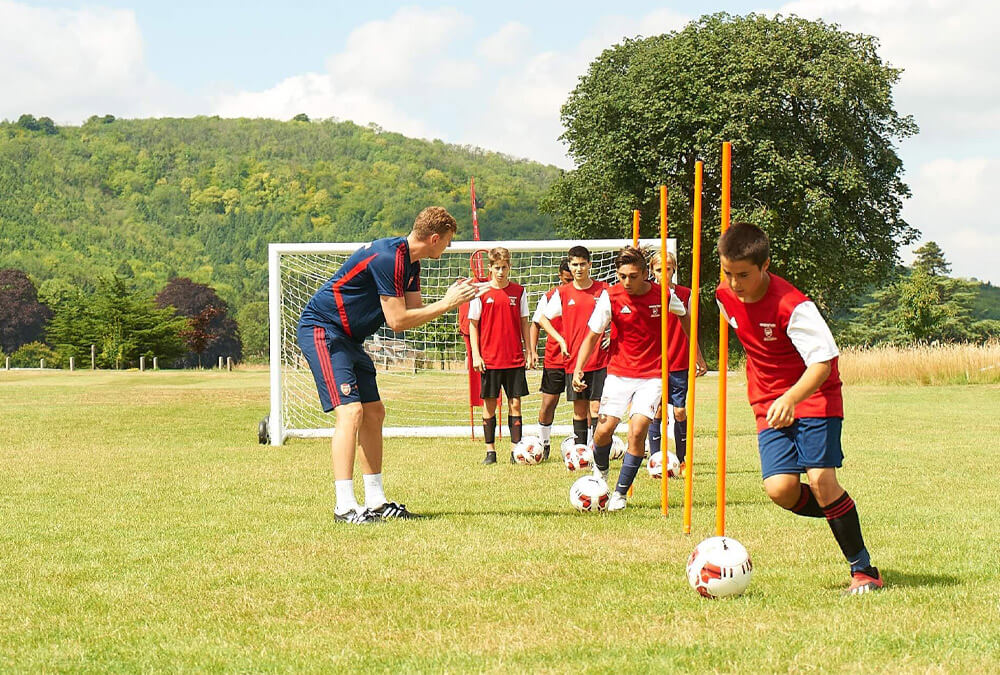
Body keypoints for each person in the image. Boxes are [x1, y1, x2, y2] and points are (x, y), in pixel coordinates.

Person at [716, 222, 883, 595]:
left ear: (766, 265)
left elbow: (822, 364)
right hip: (767, 403)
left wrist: (790, 397)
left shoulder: (795, 306)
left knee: (822, 481)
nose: (735, 283)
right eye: (727, 273)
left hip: (813, 395)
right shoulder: (723, 297)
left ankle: (864, 570)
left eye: (743, 275)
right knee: (781, 491)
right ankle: (841, 510)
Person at [297, 207, 481, 524]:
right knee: (351, 412)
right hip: (323, 330)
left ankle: (377, 501)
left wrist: (452, 300)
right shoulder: (388, 258)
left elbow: (413, 315)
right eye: (448, 242)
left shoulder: (411, 263)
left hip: (350, 339)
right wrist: (449, 303)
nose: (448, 248)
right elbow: (397, 321)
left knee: (374, 412)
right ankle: (344, 506)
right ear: (435, 238)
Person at [572, 246, 687, 511]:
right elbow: (592, 335)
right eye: (622, 276)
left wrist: (695, 352)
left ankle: (620, 495)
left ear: (646, 274)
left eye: (633, 276)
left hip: (652, 376)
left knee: (637, 431)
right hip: (618, 374)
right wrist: (580, 368)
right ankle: (600, 474)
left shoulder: (664, 295)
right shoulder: (609, 297)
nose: (627, 282)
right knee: (603, 431)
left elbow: (685, 317)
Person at [538, 246, 611, 449]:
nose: (579, 269)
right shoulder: (562, 293)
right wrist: (561, 340)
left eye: (582, 264)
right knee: (580, 410)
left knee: (597, 408)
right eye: (575, 265)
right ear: (569, 266)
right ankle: (581, 451)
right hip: (573, 360)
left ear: (589, 264)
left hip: (599, 359)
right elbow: (542, 319)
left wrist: (612, 333)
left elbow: (620, 315)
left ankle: (598, 451)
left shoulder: (603, 290)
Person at [468, 247, 534, 464]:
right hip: (489, 359)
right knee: (489, 403)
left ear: (509, 267)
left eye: (504, 267)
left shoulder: (519, 291)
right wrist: (476, 355)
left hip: (513, 357)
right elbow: (473, 325)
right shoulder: (480, 292)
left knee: (515, 404)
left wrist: (529, 350)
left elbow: (525, 322)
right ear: (490, 268)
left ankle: (516, 451)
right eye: (497, 267)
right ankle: (490, 451)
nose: (500, 271)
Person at [647, 251, 707, 474]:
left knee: (680, 411)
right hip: (654, 363)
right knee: (657, 410)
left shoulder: (685, 294)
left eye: (669, 269)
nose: (664, 273)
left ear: (674, 270)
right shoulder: (648, 293)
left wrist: (699, 357)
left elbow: (690, 328)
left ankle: (682, 460)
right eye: (659, 269)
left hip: (679, 360)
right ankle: (655, 460)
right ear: (652, 271)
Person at [529, 258, 574, 460]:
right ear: (560, 276)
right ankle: (544, 444)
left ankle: (585, 446)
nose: (570, 284)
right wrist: (532, 350)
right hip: (554, 358)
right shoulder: (550, 297)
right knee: (549, 403)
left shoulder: (588, 294)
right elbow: (536, 324)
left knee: (586, 406)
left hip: (580, 359)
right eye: (566, 280)